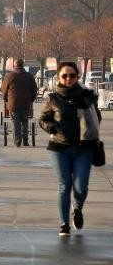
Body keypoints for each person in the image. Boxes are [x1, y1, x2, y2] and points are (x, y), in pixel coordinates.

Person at [39, 62, 101, 237]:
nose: (68, 79)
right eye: (64, 76)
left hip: (83, 149)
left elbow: (97, 118)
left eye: (72, 76)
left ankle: (78, 208)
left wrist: (89, 130)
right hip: (59, 148)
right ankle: (64, 223)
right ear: (58, 77)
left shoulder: (87, 96)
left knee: (81, 188)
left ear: (78, 76)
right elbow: (42, 118)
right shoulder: (53, 98)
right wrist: (51, 127)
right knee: (64, 186)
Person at [1, 59, 38, 146]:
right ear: (23, 65)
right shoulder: (29, 76)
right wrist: (31, 100)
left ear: (14, 66)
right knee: (25, 121)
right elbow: (34, 90)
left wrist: (6, 99)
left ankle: (17, 141)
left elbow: (4, 90)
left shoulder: (9, 76)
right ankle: (25, 140)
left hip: (13, 103)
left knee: (15, 122)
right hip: (26, 102)